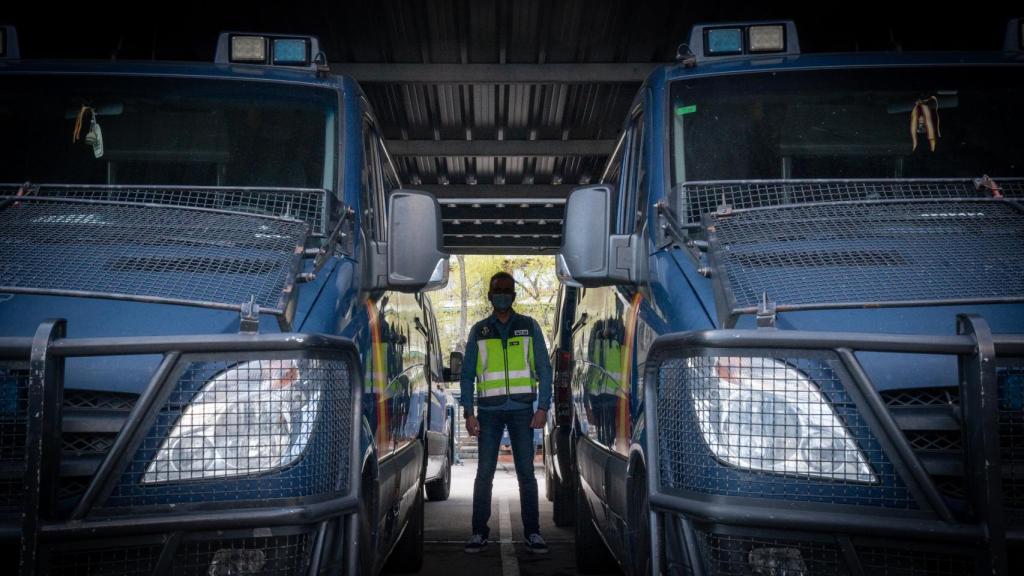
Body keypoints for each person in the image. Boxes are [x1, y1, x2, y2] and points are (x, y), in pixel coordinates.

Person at [461, 271, 552, 555]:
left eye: (506, 289)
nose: (501, 294)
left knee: (527, 474)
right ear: (489, 296)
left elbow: (544, 370)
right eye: (497, 289)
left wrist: (543, 407)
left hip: (523, 411)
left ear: (514, 295)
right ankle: (479, 532)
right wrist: (468, 412)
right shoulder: (479, 331)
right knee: (484, 473)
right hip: (488, 413)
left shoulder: (529, 326)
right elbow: (466, 375)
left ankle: (533, 532)